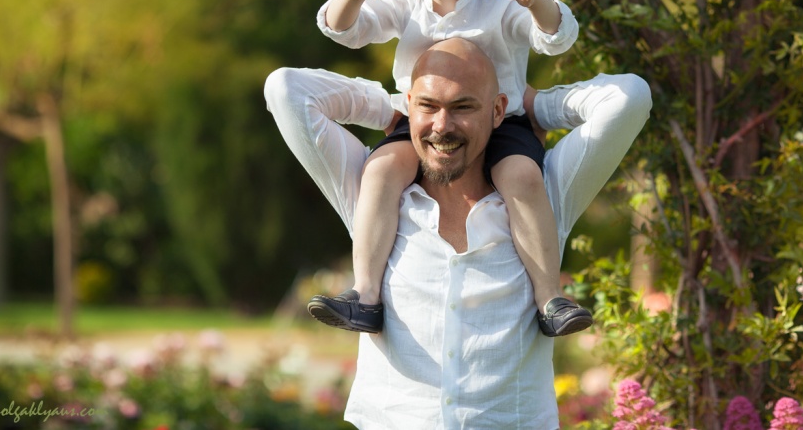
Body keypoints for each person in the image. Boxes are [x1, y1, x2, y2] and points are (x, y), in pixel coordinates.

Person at [264, 38, 651, 429]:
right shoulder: (374, 196)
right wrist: (385, 107)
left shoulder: (542, 195)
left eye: (463, 107)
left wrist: (536, 105)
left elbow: (630, 98)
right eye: (428, 106)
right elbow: (286, 89)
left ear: (497, 111)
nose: (442, 126)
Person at [308, 0, 589, 337]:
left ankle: (549, 298)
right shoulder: (405, 5)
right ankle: (366, 295)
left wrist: (534, 2)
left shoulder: (498, 3)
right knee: (380, 170)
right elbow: (346, 31)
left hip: (501, 123)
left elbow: (556, 37)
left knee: (522, 176)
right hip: (422, 124)